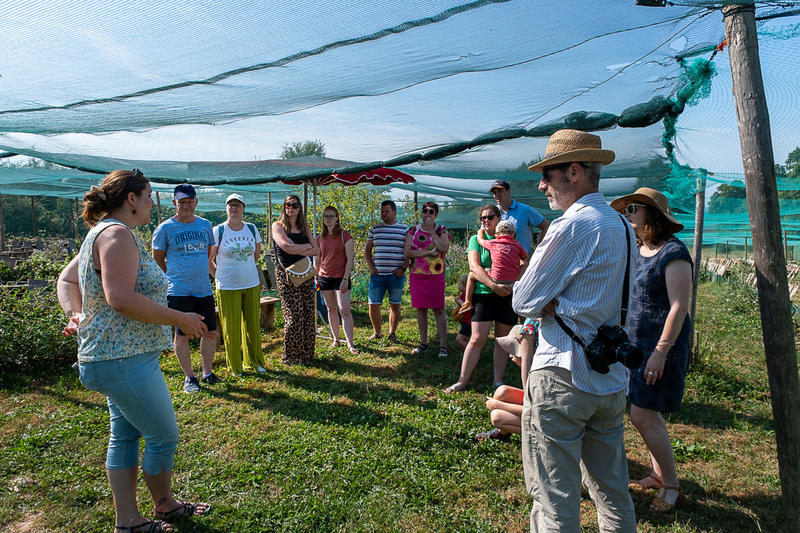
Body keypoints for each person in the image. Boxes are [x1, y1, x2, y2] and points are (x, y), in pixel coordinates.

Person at [57, 169, 210, 533]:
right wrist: (179, 318)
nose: (153, 203)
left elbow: (67, 280)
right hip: (122, 359)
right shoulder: (116, 234)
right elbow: (121, 299)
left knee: (124, 435)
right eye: (149, 195)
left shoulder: (103, 233)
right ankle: (165, 504)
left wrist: (76, 313)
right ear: (131, 199)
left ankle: (127, 521)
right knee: (163, 435)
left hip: (112, 357)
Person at [513, 129, 636, 531]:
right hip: (610, 379)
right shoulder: (623, 226)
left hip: (562, 376)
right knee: (613, 493)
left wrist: (548, 299)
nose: (541, 184)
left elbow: (522, 298)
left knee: (555, 500)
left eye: (548, 175)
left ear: (575, 172)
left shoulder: (572, 225)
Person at [611, 187, 692, 513]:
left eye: (633, 209)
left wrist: (660, 352)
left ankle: (672, 486)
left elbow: (678, 307)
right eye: (626, 209)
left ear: (651, 214)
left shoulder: (673, 253)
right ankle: (659, 474)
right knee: (648, 411)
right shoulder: (639, 249)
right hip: (636, 343)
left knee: (641, 414)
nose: (627, 214)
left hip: (662, 345)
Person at [152, 183, 220, 392]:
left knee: (210, 332)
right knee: (182, 335)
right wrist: (174, 277)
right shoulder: (165, 228)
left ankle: (207, 373)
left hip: (203, 289)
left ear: (196, 202)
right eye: (181, 202)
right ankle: (190, 378)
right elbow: (158, 259)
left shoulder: (205, 225)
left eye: (189, 201)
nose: (186, 205)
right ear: (174, 203)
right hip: (179, 290)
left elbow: (209, 251)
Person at [445, 204, 517, 393]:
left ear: (499, 219)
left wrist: (511, 284)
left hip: (508, 295)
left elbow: (520, 261)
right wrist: (494, 286)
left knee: (502, 340)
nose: (485, 220)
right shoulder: (476, 240)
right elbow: (474, 268)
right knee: (476, 339)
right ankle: (462, 381)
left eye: (490, 217)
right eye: (482, 218)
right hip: (484, 295)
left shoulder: (510, 238)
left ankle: (498, 381)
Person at [209, 193, 267, 376]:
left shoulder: (251, 228)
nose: (234, 208)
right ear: (226, 208)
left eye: (238, 205)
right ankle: (235, 367)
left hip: (251, 283)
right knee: (231, 327)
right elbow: (208, 259)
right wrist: (218, 275)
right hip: (227, 286)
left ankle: (254, 362)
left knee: (253, 325)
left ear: (243, 208)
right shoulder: (218, 231)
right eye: (230, 205)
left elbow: (257, 253)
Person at [272, 194, 319, 364]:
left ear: (300, 208)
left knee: (308, 314)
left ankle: (307, 355)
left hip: (305, 273)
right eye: (287, 205)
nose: (291, 208)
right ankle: (290, 356)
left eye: (295, 205)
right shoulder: (277, 226)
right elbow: (285, 247)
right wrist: (306, 247)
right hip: (286, 275)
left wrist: (296, 249)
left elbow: (317, 251)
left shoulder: (304, 227)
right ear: (284, 207)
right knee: (294, 316)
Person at [476, 318, 539, 442]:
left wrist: (497, 405)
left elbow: (535, 411)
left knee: (497, 417)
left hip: (546, 419)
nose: (510, 355)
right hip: (536, 407)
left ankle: (539, 438)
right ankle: (503, 433)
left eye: (513, 350)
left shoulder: (537, 374)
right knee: (502, 391)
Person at [404, 201, 450, 357]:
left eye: (431, 212)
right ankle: (423, 343)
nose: (427, 214)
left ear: (436, 215)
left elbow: (444, 248)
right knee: (421, 310)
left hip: (436, 277)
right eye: (425, 211)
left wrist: (432, 232)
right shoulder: (413, 230)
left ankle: (443, 346)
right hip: (418, 277)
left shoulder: (441, 230)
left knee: (439, 310)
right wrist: (427, 253)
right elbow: (407, 252)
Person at [315, 205, 358, 354]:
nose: (328, 219)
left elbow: (350, 258)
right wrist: (316, 277)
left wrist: (346, 278)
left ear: (337, 218)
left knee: (344, 310)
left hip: (341, 278)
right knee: (331, 309)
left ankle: (350, 344)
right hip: (324, 278)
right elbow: (317, 259)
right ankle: (336, 340)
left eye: (331, 216)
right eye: (326, 216)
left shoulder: (345, 236)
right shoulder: (319, 238)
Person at [459, 219, 527, 313]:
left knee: (472, 274)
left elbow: (480, 240)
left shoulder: (493, 243)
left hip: (496, 278)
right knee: (523, 265)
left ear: (497, 234)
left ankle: (467, 301)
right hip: (512, 279)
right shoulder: (517, 244)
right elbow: (525, 257)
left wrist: (480, 231)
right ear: (513, 234)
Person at [365, 200, 409, 342]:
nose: (383, 214)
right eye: (382, 211)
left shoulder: (405, 229)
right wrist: (371, 267)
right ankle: (377, 332)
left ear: (394, 212)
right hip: (377, 275)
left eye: (386, 211)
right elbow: (367, 250)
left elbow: (409, 252)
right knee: (373, 304)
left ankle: (392, 333)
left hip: (395, 276)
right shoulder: (375, 229)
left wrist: (403, 268)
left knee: (395, 304)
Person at [490, 179, 549, 254]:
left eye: (500, 191)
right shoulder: (492, 213)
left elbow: (545, 225)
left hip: (522, 263)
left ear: (509, 191)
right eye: (494, 193)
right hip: (500, 262)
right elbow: (483, 232)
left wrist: (537, 251)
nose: (496, 195)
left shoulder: (524, 210)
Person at [453, 274, 472, 349]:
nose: (458, 284)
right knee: (467, 339)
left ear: (466, 286)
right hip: (465, 321)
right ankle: (470, 355)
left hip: (469, 322)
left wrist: (459, 301)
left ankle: (471, 351)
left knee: (459, 339)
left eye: (460, 283)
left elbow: (467, 306)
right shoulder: (463, 295)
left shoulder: (469, 296)